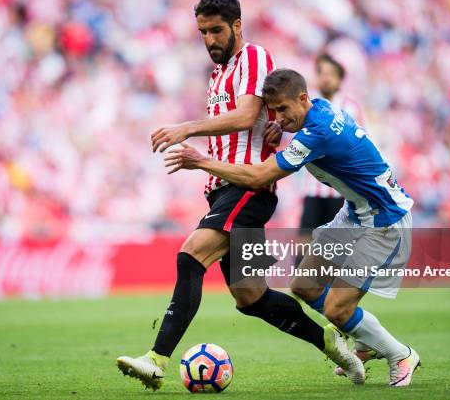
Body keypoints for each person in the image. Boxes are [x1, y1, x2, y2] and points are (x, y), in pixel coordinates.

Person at [116, 0, 364, 391]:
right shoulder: (218, 74)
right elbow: (258, 122)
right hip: (222, 189)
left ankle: (156, 359)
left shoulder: (254, 58)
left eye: (216, 30)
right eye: (203, 32)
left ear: (236, 25)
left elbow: (250, 115)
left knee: (191, 253)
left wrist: (186, 128)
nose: (210, 39)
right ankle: (330, 343)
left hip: (248, 185)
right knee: (252, 298)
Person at [165, 68, 421, 387]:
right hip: (356, 214)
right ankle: (366, 338)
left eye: (284, 110)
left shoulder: (318, 133)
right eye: (274, 112)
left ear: (302, 99)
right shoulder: (321, 109)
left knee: (337, 310)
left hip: (384, 222)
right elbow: (305, 131)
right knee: (304, 284)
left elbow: (259, 177)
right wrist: (282, 128)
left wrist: (201, 161)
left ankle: (401, 354)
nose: (280, 118)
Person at [297, 54, 364, 265]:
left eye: (330, 74)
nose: (325, 78)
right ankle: (299, 285)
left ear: (339, 79)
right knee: (304, 240)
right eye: (322, 73)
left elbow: (359, 143)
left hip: (339, 190)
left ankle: (332, 290)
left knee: (335, 245)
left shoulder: (351, 106)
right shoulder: (308, 104)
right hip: (313, 189)